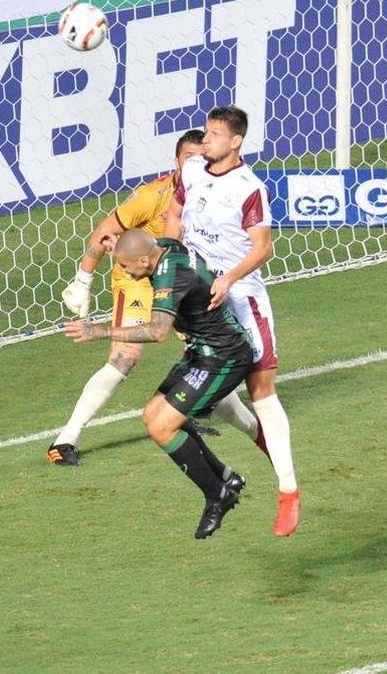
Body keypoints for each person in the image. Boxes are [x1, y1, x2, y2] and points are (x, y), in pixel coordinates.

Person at [50, 130, 263, 465]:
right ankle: (66, 439)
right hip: (137, 274)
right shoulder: (152, 196)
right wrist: (83, 279)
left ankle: (197, 413)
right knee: (126, 356)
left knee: (205, 352)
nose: (196, 164)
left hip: (180, 279)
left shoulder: (216, 191)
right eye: (189, 159)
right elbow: (105, 231)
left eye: (201, 158)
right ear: (176, 162)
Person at [165, 105, 300, 537]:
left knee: (261, 391)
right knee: (216, 390)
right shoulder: (190, 169)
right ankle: (260, 441)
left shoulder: (249, 188)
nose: (206, 140)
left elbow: (263, 248)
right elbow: (174, 215)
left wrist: (230, 278)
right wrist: (173, 265)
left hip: (241, 296)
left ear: (236, 141)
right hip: (199, 294)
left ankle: (288, 491)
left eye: (215, 134)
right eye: (205, 132)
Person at [63, 229, 251, 539]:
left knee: (163, 428)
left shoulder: (170, 276)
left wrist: (101, 332)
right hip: (200, 351)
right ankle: (225, 476)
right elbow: (142, 245)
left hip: (222, 356)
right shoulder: (163, 248)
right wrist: (117, 245)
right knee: (152, 415)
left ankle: (217, 494)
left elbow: (157, 331)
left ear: (143, 260)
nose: (123, 271)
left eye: (125, 266)